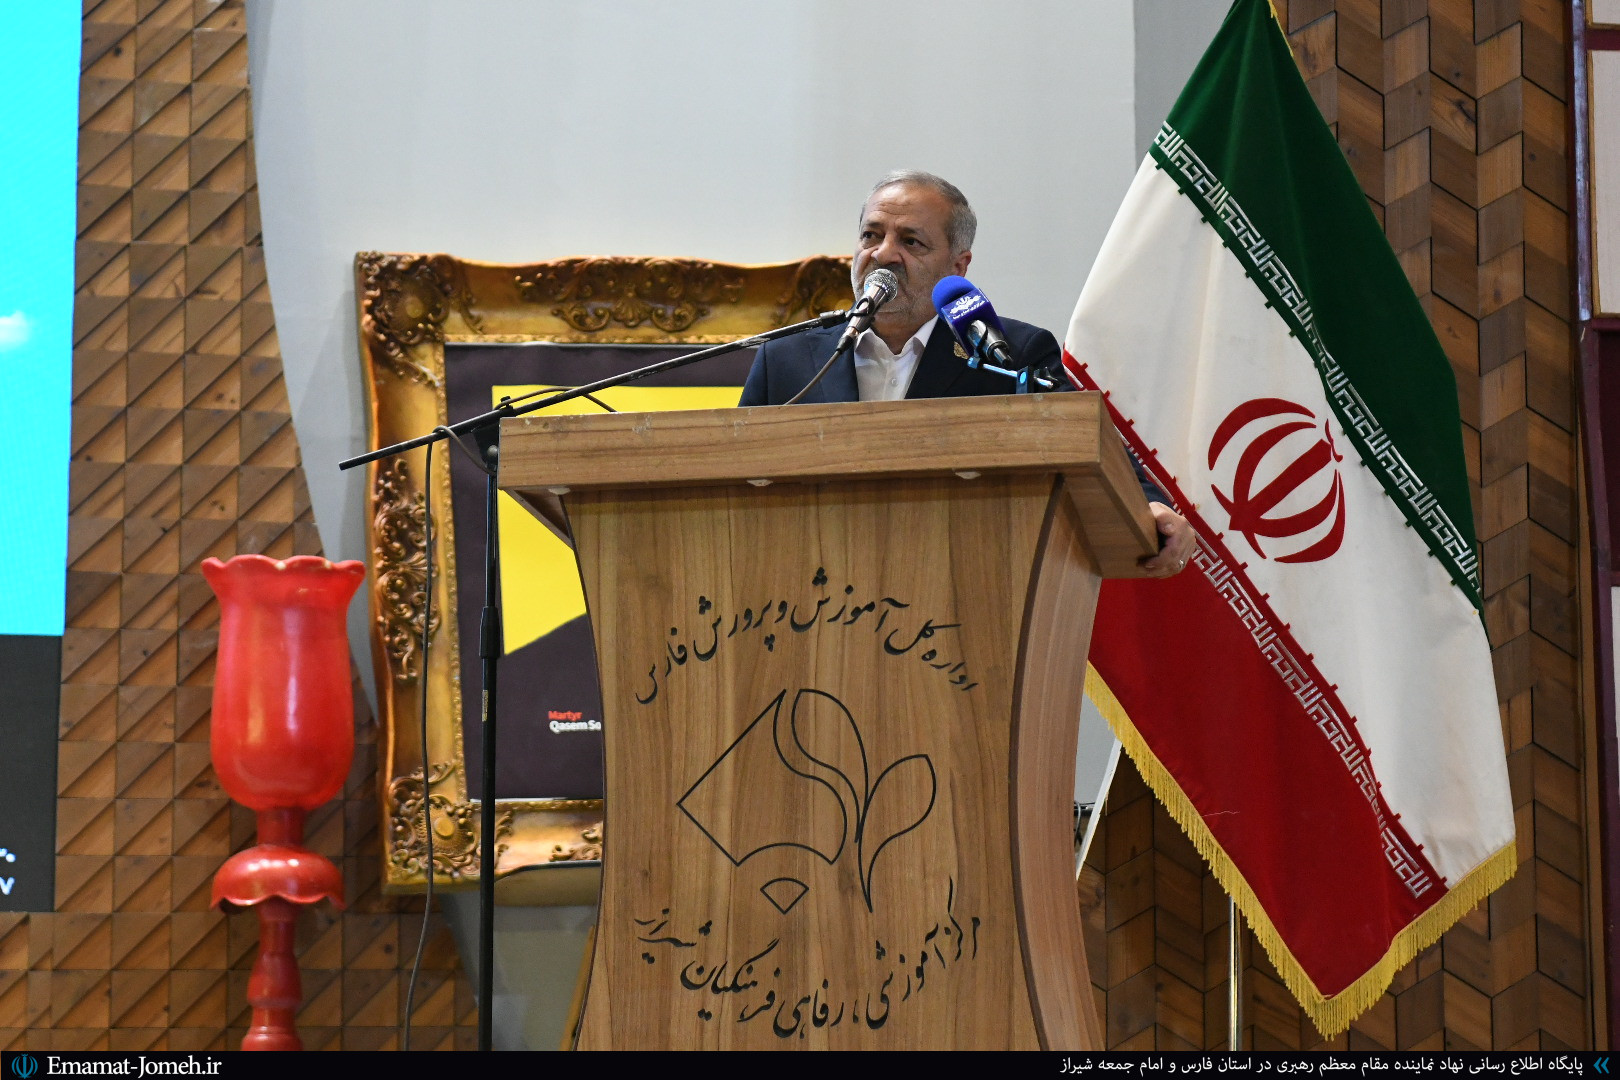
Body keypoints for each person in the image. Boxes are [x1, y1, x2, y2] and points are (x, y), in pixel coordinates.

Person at [738, 170, 1196, 577]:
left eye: (911, 242)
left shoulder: (1010, 352)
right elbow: (737, 471)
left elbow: (1089, 441)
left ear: (957, 267)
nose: (883, 254)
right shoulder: (786, 358)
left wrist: (1150, 505)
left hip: (960, 580)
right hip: (812, 579)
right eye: (871, 235)